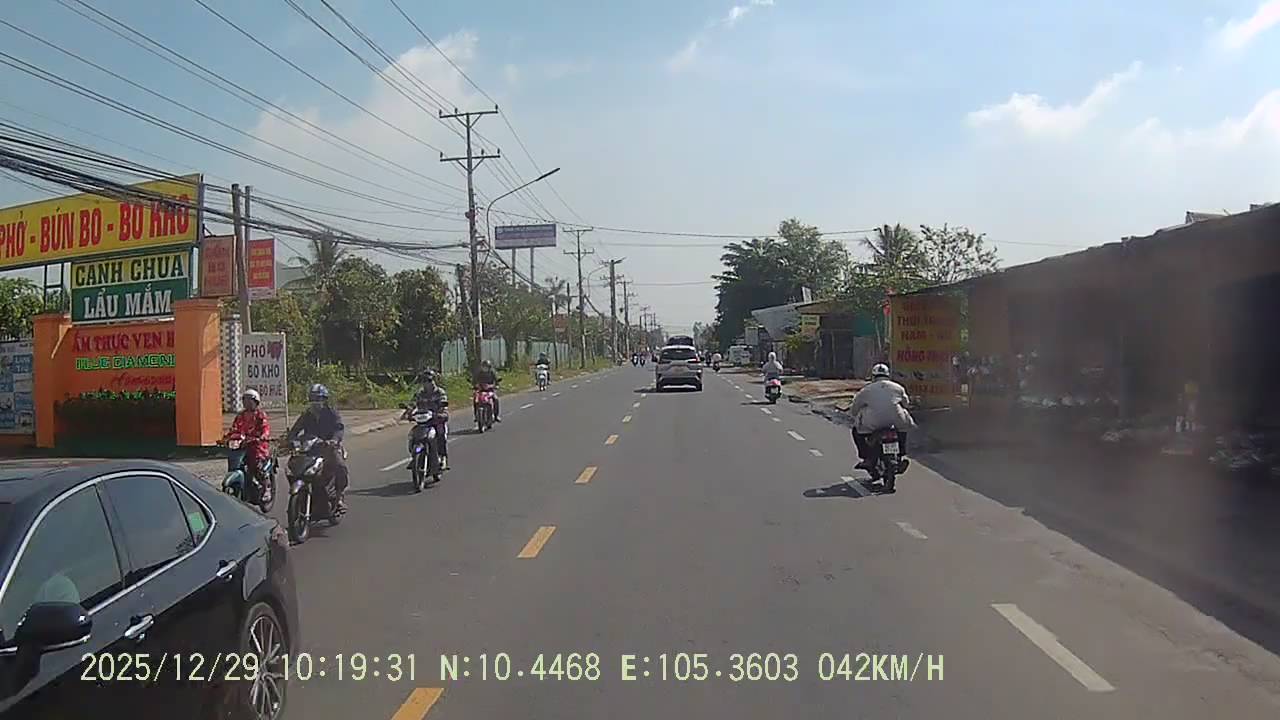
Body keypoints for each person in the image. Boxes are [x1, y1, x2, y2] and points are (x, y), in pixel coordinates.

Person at [288, 384, 348, 511]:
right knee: (293, 466)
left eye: (318, 398)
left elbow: (339, 428)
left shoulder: (332, 413)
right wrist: (292, 441)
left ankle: (339, 497)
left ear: (324, 399)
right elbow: (294, 431)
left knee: (340, 467)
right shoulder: (306, 415)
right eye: (313, 398)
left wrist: (334, 440)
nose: (315, 402)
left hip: (329, 448)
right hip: (310, 449)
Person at [849, 363, 916, 472]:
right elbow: (906, 403)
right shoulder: (898, 387)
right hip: (895, 421)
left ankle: (866, 458)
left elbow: (855, 408)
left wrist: (855, 414)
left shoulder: (866, 390)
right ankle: (901, 453)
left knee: (856, 432)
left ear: (873, 376)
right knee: (902, 429)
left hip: (873, 424)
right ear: (888, 375)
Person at [227, 388, 273, 503]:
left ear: (256, 402)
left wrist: (263, 436)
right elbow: (234, 429)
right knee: (234, 461)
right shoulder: (240, 416)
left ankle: (266, 487)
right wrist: (226, 438)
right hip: (242, 445)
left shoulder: (260, 415)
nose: (246, 403)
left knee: (258, 465)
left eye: (249, 400)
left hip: (257, 445)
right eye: (245, 400)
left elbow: (265, 428)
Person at [405, 370, 449, 471]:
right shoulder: (419, 393)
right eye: (424, 380)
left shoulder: (440, 392)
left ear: (434, 380)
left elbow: (443, 405)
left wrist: (440, 413)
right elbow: (412, 404)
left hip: (436, 420)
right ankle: (414, 457)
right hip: (423, 421)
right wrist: (409, 412)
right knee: (413, 435)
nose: (427, 383)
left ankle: (442, 457)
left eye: (429, 380)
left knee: (440, 434)